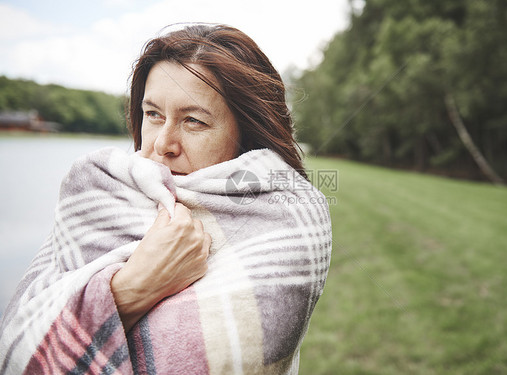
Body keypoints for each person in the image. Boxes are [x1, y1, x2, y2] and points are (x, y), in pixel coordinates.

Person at [0, 23, 331, 374]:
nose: (162, 144)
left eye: (193, 121)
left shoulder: (287, 222)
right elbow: (18, 339)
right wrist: (133, 288)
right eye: (154, 114)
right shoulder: (97, 194)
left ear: (247, 137)